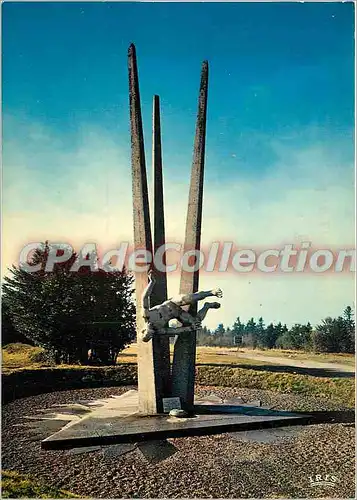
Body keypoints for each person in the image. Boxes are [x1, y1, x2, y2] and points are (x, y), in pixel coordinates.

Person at [141, 270, 223, 342]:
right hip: (178, 314)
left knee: (188, 298)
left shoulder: (146, 315)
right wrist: (189, 328)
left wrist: (152, 282)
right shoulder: (159, 330)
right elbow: (175, 331)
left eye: (148, 333)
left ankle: (211, 292)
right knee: (196, 322)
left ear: (144, 330)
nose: (151, 332)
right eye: (150, 335)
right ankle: (207, 306)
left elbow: (144, 297)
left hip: (172, 303)